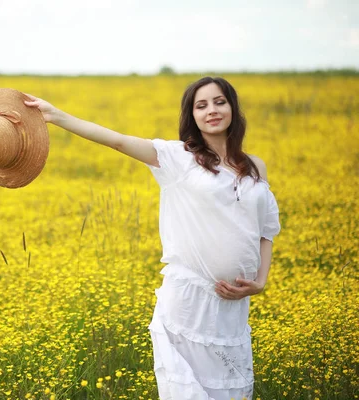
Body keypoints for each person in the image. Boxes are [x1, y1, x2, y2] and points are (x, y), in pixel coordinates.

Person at [24, 76, 280, 400]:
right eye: (201, 105)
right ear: (192, 116)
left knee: (233, 394)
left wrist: (260, 281)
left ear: (232, 108)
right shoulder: (177, 159)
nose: (212, 110)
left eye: (219, 101)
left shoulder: (256, 167)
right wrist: (55, 115)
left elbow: (266, 229)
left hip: (232, 312)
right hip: (188, 306)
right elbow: (116, 140)